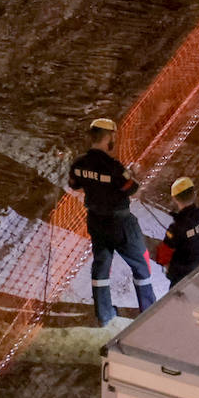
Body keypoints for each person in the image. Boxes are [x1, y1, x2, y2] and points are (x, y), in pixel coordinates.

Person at [68, 118, 156, 325]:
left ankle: (104, 314)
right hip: (121, 223)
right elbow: (132, 190)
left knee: (101, 266)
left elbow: (75, 186)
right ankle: (149, 310)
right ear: (108, 137)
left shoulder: (79, 164)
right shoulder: (114, 167)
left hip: (96, 221)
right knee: (141, 265)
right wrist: (133, 174)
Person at [156, 176, 199, 286]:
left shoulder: (176, 228)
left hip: (181, 272)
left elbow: (164, 254)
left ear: (174, 198)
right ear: (194, 194)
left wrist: (165, 265)